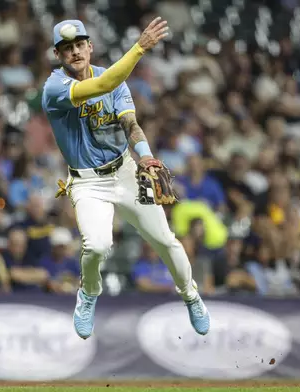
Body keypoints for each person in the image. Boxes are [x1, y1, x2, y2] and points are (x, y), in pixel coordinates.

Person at [41, 17, 209, 339]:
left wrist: (144, 155)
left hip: (125, 171)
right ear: (58, 55)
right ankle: (88, 294)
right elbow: (102, 87)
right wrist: (140, 48)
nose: (75, 52)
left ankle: (190, 295)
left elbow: (130, 124)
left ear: (90, 47)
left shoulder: (114, 76)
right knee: (97, 246)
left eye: (79, 45)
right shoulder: (55, 87)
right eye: (67, 49)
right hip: (87, 182)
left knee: (165, 240)